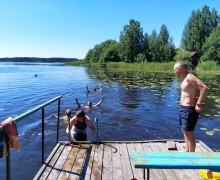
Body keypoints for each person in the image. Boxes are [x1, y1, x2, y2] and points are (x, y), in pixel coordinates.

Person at [174, 61, 209, 152]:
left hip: (189, 109)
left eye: (175, 70)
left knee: (189, 133)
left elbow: (204, 88)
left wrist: (199, 104)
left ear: (180, 70)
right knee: (184, 130)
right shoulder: (185, 78)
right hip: (183, 108)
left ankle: (192, 157)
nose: (174, 72)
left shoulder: (190, 77)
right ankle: (187, 150)